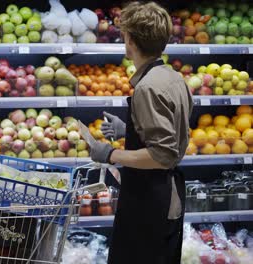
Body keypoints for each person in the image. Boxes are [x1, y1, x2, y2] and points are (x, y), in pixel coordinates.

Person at [82, 2, 193, 264]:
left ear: (130, 40)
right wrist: (130, 128)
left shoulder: (147, 88)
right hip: (166, 195)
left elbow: (161, 154)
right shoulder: (174, 78)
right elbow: (172, 134)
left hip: (149, 202)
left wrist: (111, 154)